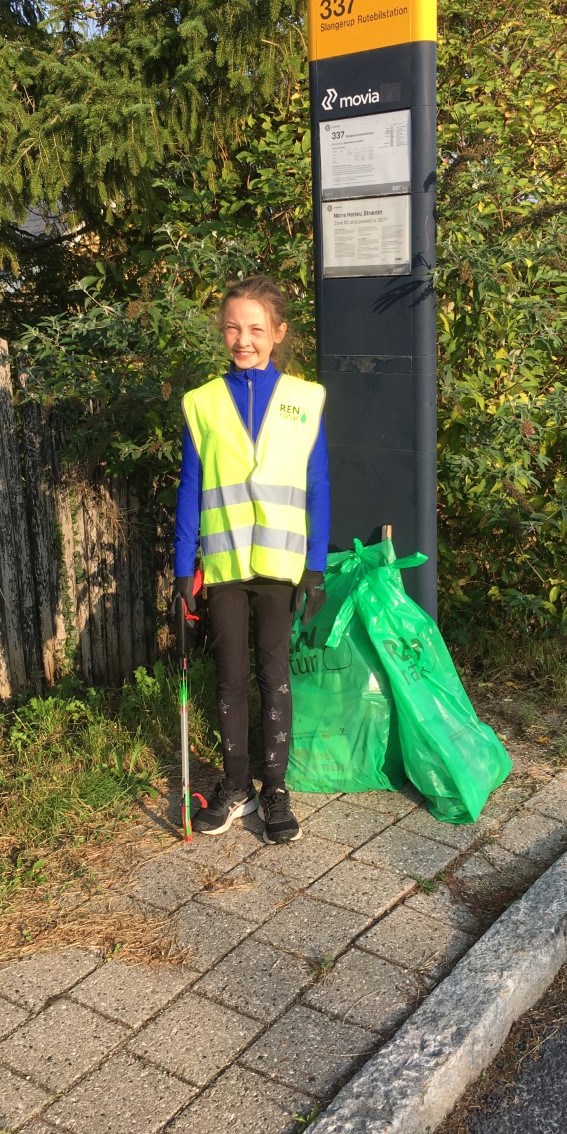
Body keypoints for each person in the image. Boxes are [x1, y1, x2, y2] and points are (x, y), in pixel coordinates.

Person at [173, 276, 331, 844]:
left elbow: (317, 485)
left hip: (281, 567)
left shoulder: (305, 399)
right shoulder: (202, 403)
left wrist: (316, 567)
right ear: (223, 332)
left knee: (274, 675)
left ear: (278, 333)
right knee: (230, 678)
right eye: (233, 328)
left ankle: (276, 789)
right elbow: (190, 488)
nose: (244, 339)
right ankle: (236, 786)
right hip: (224, 566)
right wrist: (181, 569)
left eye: (256, 329)